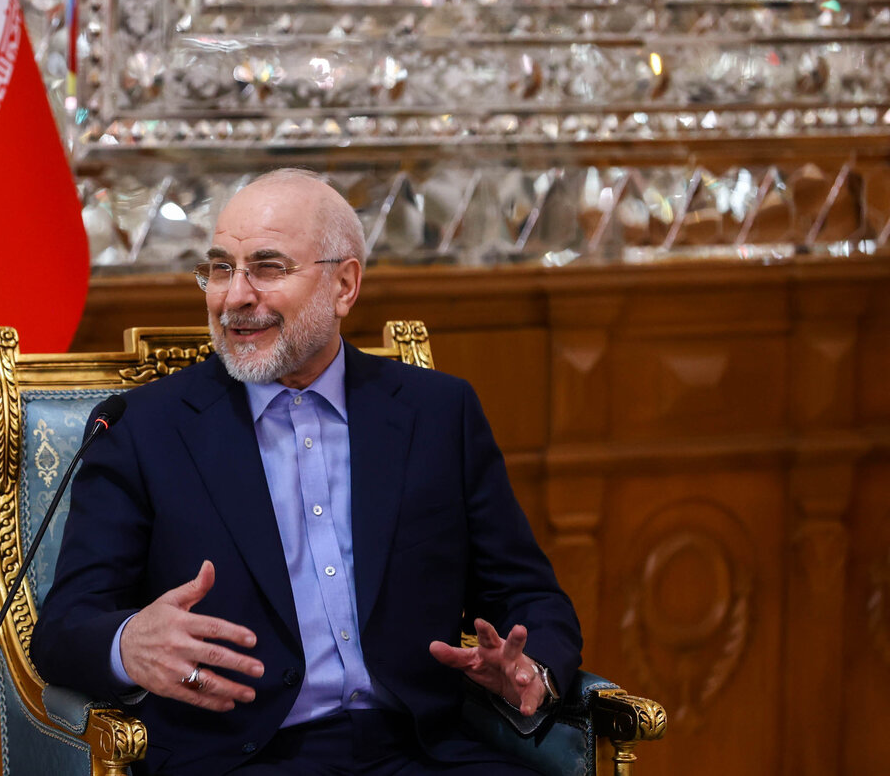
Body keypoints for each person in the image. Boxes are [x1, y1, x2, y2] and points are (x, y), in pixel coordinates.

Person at [31, 169, 582, 775]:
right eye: (220, 269)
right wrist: (129, 642)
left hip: (420, 752)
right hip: (235, 759)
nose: (234, 296)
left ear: (343, 285)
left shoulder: (436, 414)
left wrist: (532, 671)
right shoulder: (142, 429)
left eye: (267, 268)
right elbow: (62, 630)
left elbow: (528, 594)